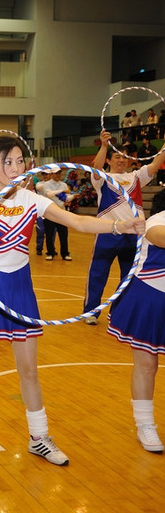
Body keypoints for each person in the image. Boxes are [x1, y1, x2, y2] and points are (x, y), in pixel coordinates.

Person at [0, 135, 144, 472]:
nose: (16, 168)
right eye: (7, 162)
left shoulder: (32, 199)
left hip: (20, 291)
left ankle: (39, 437)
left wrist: (121, 225)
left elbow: (77, 221)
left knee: (29, 371)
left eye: (19, 161)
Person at [82, 130, 165, 324]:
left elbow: (155, 164)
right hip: (107, 233)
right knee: (97, 275)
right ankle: (91, 312)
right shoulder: (102, 178)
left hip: (134, 235)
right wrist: (104, 145)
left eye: (124, 157)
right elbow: (96, 167)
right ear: (109, 160)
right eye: (117, 157)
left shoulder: (137, 177)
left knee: (129, 277)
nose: (121, 160)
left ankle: (118, 312)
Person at [107, 189, 165, 453]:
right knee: (147, 365)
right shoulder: (157, 222)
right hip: (149, 299)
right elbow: (158, 236)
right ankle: (145, 425)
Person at [36, 168, 73, 261]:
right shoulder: (46, 184)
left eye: (59, 173)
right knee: (49, 234)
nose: (58, 175)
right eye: (56, 173)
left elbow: (66, 198)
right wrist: (63, 191)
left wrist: (73, 196)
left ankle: (65, 253)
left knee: (63, 234)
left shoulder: (63, 184)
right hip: (50, 213)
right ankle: (50, 252)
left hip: (61, 212)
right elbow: (50, 194)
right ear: (52, 174)